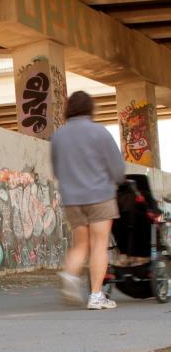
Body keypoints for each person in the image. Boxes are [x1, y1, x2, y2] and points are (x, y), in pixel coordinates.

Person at [51, 91, 125, 310]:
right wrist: (116, 180)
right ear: (90, 108)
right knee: (100, 245)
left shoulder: (59, 136)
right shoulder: (99, 132)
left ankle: (69, 274)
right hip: (99, 196)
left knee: (81, 243)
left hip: (72, 199)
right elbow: (117, 169)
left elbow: (57, 170)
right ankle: (95, 296)